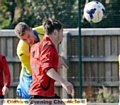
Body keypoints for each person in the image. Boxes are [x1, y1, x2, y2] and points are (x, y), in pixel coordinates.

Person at [14, 22, 68, 99]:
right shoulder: (21, 50)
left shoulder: (43, 30)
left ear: (31, 29)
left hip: (43, 68)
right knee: (32, 97)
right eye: (24, 39)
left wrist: (57, 57)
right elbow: (35, 69)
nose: (28, 41)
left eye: (29, 36)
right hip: (29, 75)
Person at [29, 18, 73, 100]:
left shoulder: (36, 46)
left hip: (41, 94)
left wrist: (56, 59)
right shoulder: (48, 46)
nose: (62, 35)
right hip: (42, 96)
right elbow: (47, 68)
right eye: (61, 32)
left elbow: (40, 63)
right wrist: (63, 82)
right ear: (55, 32)